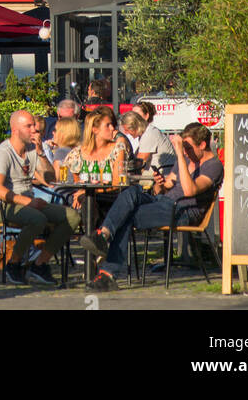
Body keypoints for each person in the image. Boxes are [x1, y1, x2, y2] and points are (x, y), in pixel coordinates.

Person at [86, 124, 224, 290]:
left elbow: (189, 190)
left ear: (202, 145)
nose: (186, 151)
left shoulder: (213, 166)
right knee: (132, 192)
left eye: (188, 147)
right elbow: (167, 186)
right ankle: (104, 235)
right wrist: (161, 183)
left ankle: (107, 271)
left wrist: (179, 153)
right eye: (184, 148)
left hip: (183, 211)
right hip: (163, 202)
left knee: (127, 216)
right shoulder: (187, 159)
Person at [0, 110, 80, 287]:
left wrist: (40, 153)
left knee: (72, 217)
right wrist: (28, 202)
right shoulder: (3, 152)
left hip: (29, 202)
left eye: (34, 126)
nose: (34, 130)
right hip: (6, 205)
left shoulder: (31, 149)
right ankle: (13, 264)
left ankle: (39, 264)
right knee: (37, 218)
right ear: (15, 130)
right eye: (29, 126)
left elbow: (50, 177)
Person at [65, 108, 128, 183]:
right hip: (86, 194)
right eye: (107, 125)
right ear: (95, 130)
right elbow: (78, 184)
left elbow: (118, 183)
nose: (112, 128)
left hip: (111, 194)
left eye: (111, 124)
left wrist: (97, 191)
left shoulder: (117, 150)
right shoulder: (76, 154)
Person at [133, 101, 176, 170]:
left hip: (163, 176)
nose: (133, 118)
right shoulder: (146, 132)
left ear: (146, 116)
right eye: (132, 114)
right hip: (157, 174)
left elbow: (139, 162)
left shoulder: (149, 133)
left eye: (137, 115)